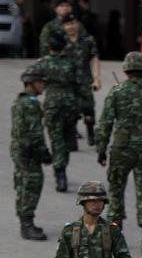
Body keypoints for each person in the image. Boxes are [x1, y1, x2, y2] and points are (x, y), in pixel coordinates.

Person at [95, 51, 142, 246]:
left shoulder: (117, 92)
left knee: (116, 191)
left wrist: (101, 150)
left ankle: (113, 234)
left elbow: (105, 124)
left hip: (121, 148)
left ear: (126, 70)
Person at [10, 64, 52, 240]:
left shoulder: (19, 101)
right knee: (31, 185)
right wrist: (44, 152)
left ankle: (25, 221)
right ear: (31, 83)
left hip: (19, 148)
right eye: (40, 82)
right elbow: (35, 132)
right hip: (29, 150)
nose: (43, 85)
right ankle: (26, 225)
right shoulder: (31, 104)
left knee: (22, 183)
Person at [40, 31, 80, 192]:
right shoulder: (71, 63)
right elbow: (81, 85)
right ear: (64, 47)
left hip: (52, 106)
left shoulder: (42, 63)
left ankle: (60, 172)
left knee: (57, 140)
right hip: (70, 106)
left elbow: (27, 78)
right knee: (66, 141)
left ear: (49, 47)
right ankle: (61, 170)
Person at [62, 12, 101, 146]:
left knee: (89, 110)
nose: (71, 27)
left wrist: (96, 78)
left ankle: (91, 133)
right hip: (68, 83)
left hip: (85, 82)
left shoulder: (88, 40)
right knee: (70, 113)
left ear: (78, 24)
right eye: (67, 24)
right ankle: (72, 136)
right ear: (64, 26)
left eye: (73, 23)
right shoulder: (60, 42)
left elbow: (94, 59)